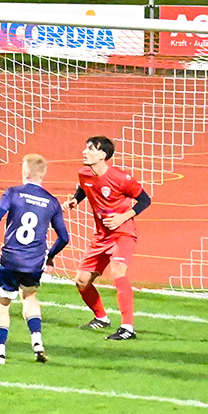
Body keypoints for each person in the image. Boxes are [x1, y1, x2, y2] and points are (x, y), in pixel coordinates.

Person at [0, 155, 70, 363]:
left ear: (27, 173)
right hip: (34, 261)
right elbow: (64, 238)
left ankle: (0, 353)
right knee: (29, 297)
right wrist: (50, 256)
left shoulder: (13, 193)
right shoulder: (52, 201)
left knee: (3, 303)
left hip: (11, 258)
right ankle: (37, 342)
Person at [67, 135, 151, 341]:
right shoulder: (84, 173)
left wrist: (123, 216)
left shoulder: (121, 178)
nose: (85, 152)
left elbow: (145, 200)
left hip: (122, 233)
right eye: (86, 148)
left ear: (103, 155)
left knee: (118, 271)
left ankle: (128, 328)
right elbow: (84, 187)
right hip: (101, 236)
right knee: (82, 281)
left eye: (91, 149)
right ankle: (101, 318)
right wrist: (75, 200)